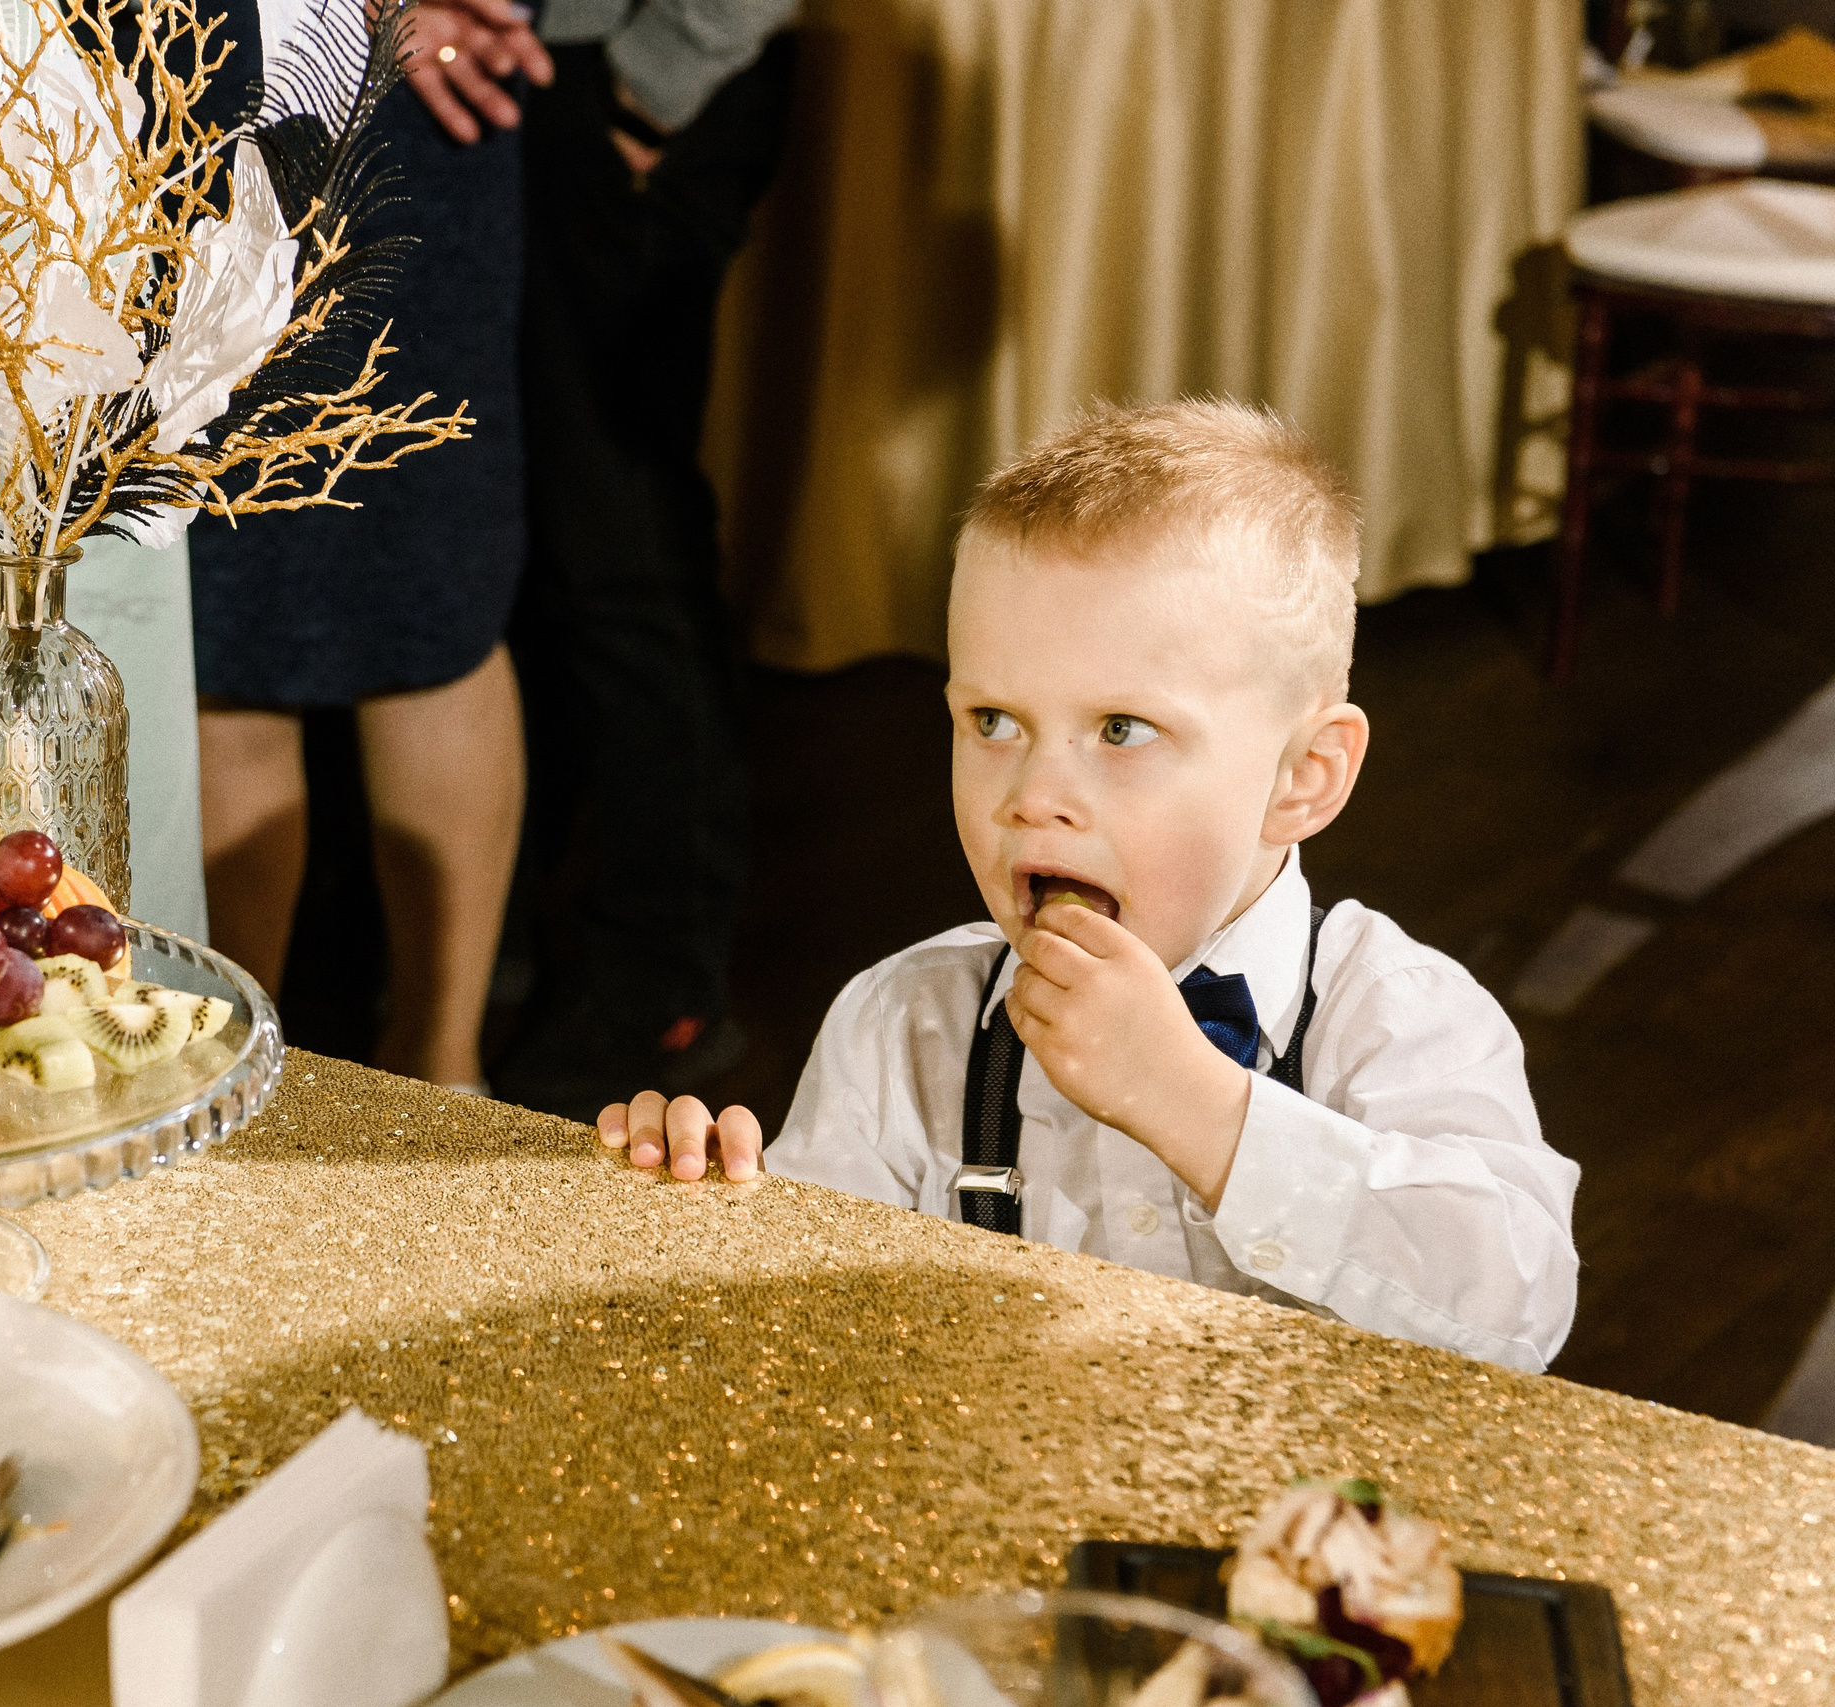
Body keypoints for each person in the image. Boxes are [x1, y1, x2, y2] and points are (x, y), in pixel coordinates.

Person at [596, 401, 1582, 1374]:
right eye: (992, 721)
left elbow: (1513, 1311)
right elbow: (820, 1350)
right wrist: (710, 1224)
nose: (1033, 796)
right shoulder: (903, 1027)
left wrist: (1199, 1105)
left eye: (1119, 729)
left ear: (1303, 775)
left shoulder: (1396, 1016)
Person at [187, 0, 548, 1092]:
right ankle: (221, 1082)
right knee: (226, 617)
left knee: (431, 595)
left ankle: (443, 1071)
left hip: (396, 96)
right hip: (165, 84)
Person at [487, 0, 798, 1118]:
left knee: (623, 555)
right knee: (532, 553)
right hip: (510, 83)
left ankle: (658, 981)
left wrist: (653, 78)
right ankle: (499, 933)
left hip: (619, 79)